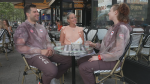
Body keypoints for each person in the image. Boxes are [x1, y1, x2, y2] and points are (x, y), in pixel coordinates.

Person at [14, 4, 72, 84]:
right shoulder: (23, 28)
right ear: (28, 14)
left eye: (37, 11)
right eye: (34, 12)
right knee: (52, 70)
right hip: (33, 56)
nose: (37, 13)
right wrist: (40, 51)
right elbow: (20, 47)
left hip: (46, 53)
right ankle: (45, 79)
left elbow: (48, 41)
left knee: (69, 60)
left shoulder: (41, 26)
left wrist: (49, 49)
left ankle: (50, 76)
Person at [78, 3, 132, 84]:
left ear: (116, 12)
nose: (108, 13)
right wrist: (94, 44)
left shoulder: (122, 28)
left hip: (114, 62)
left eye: (110, 11)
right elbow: (105, 47)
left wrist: (99, 57)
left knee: (83, 67)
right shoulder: (113, 27)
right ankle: (97, 81)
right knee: (80, 61)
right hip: (106, 58)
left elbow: (118, 52)